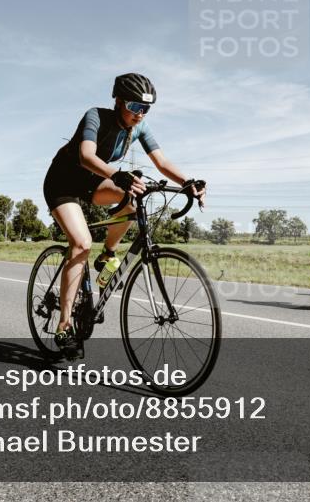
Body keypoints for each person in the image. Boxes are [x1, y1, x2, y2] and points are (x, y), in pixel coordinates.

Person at [43, 73, 205, 360]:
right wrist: (118, 174)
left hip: (94, 183)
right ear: (118, 101)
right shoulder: (96, 116)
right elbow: (85, 156)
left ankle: (108, 253)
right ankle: (64, 326)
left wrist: (188, 182)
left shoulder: (139, 128)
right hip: (63, 183)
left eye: (146, 109)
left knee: (135, 195)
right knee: (80, 243)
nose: (140, 115)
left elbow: (162, 162)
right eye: (135, 107)